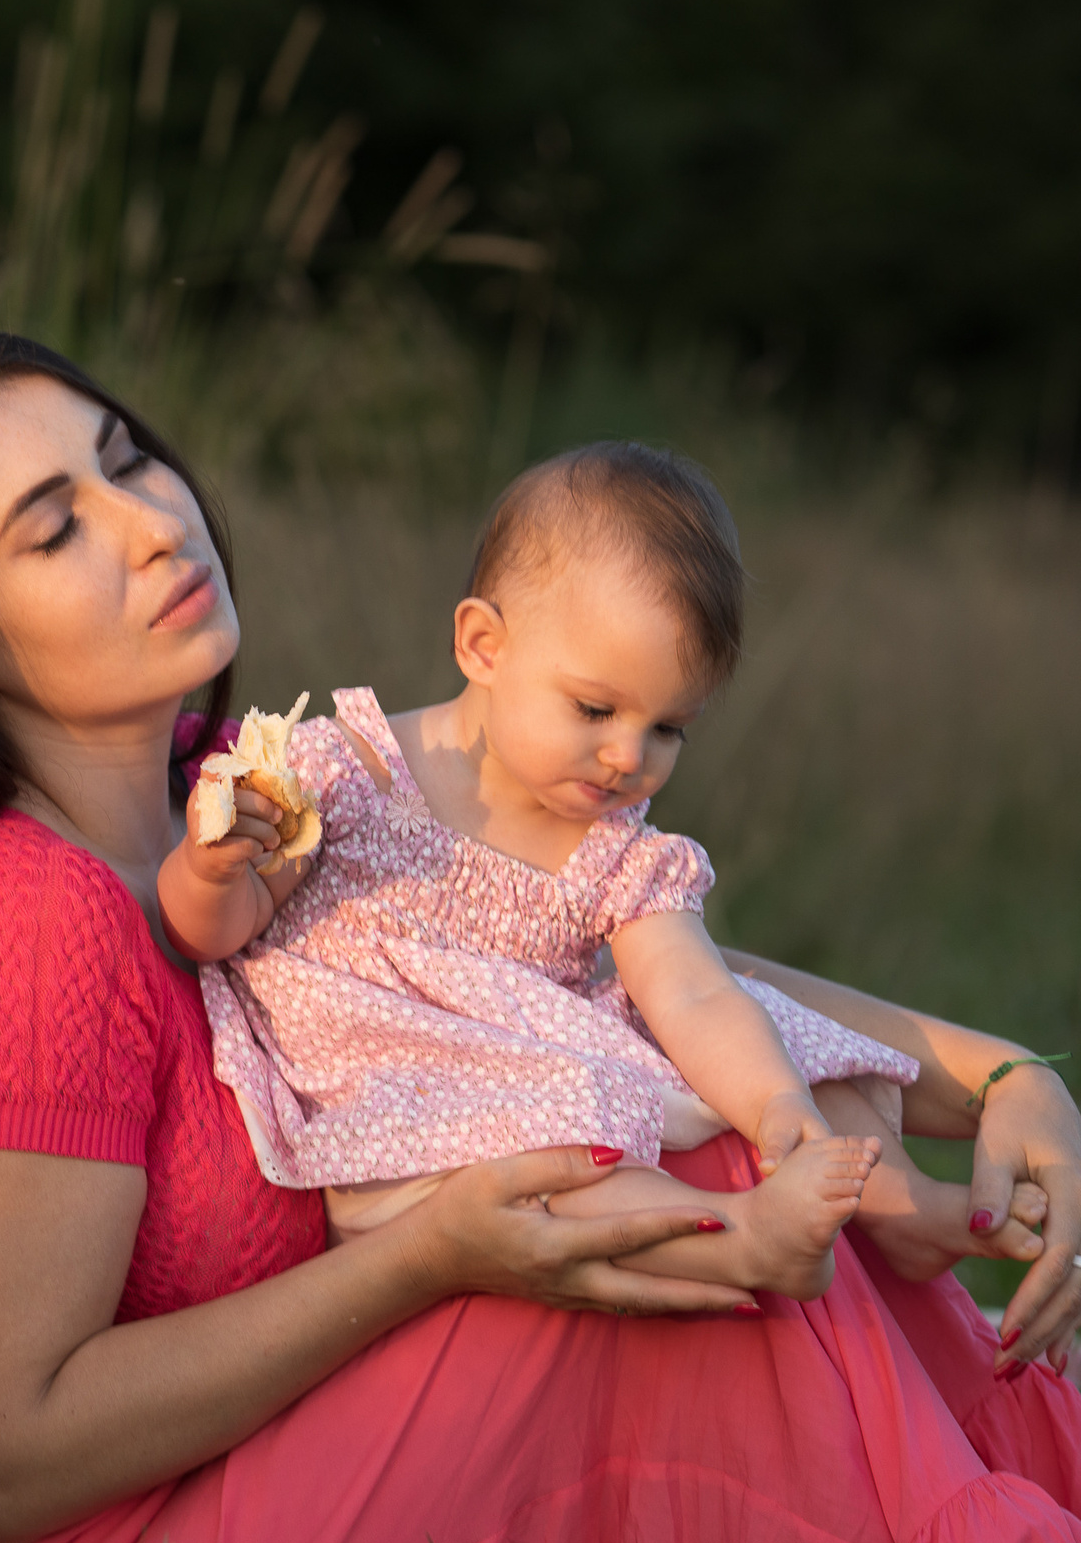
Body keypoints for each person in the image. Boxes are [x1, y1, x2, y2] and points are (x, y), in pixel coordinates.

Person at [0, 318, 1081, 1543]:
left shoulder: (227, 790)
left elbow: (603, 950)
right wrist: (432, 1258)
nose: (153, 521)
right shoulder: (15, 915)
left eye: (127, 456)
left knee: (697, 1170)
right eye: (54, 528)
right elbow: (11, 1459)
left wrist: (998, 1077)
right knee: (674, 1208)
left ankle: (969, 1527)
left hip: (215, 1485)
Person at [164, 442, 961, 1300]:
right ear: (483, 645)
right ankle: (737, 1242)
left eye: (669, 729)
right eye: (595, 708)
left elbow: (694, 993)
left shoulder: (619, 849)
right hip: (399, 1097)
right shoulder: (348, 772)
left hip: (541, 1054)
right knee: (565, 1137)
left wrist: (778, 1111)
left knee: (771, 1031)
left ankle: (903, 1208)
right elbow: (213, 933)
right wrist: (213, 869)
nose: (628, 756)